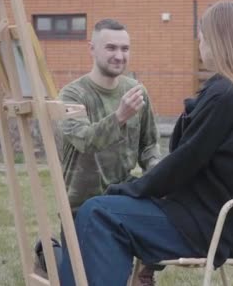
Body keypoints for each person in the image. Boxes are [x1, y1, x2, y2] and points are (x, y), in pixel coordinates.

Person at [58, 0, 233, 285]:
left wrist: (128, 189)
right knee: (104, 210)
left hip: (209, 225)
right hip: (229, 221)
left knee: (98, 211)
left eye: (202, 38)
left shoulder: (224, 95)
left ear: (217, 42)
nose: (200, 44)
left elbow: (182, 163)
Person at [34, 19, 161, 285]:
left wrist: (155, 175)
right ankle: (49, 253)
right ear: (91, 48)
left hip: (121, 203)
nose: (119, 55)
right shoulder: (72, 94)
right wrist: (120, 116)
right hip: (81, 208)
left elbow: (149, 144)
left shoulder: (136, 92)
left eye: (125, 48)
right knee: (80, 281)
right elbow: (85, 140)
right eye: (111, 47)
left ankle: (143, 271)